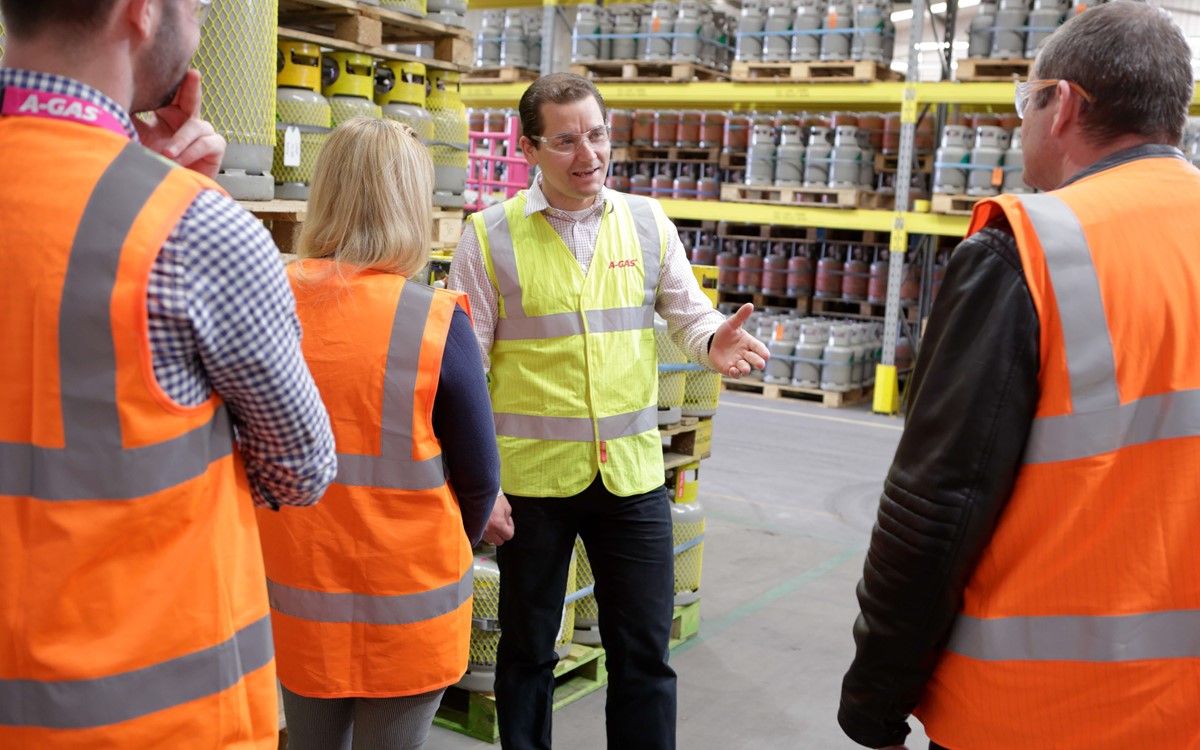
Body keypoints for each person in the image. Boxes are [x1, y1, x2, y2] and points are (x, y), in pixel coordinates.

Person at [838, 3, 1200, 749]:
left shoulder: (1031, 250)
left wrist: (876, 692)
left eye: (1024, 101)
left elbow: (935, 508)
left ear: (1062, 105)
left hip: (1035, 712)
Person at [0, 0, 337, 747]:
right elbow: (300, 470)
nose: (203, 24)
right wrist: (179, 194)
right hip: (152, 720)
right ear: (141, 12)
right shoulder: (197, 229)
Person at [447, 72, 770, 750]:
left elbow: (687, 313)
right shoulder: (489, 237)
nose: (588, 155)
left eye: (596, 135)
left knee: (644, 654)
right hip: (532, 485)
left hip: (630, 478)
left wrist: (714, 341)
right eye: (565, 141)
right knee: (529, 652)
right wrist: (481, 484)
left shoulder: (647, 223)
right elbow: (465, 372)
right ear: (530, 149)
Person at [256, 116, 501, 750]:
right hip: (410, 606)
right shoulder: (433, 320)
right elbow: (480, 483)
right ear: (412, 203)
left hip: (295, 598)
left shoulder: (265, 301)